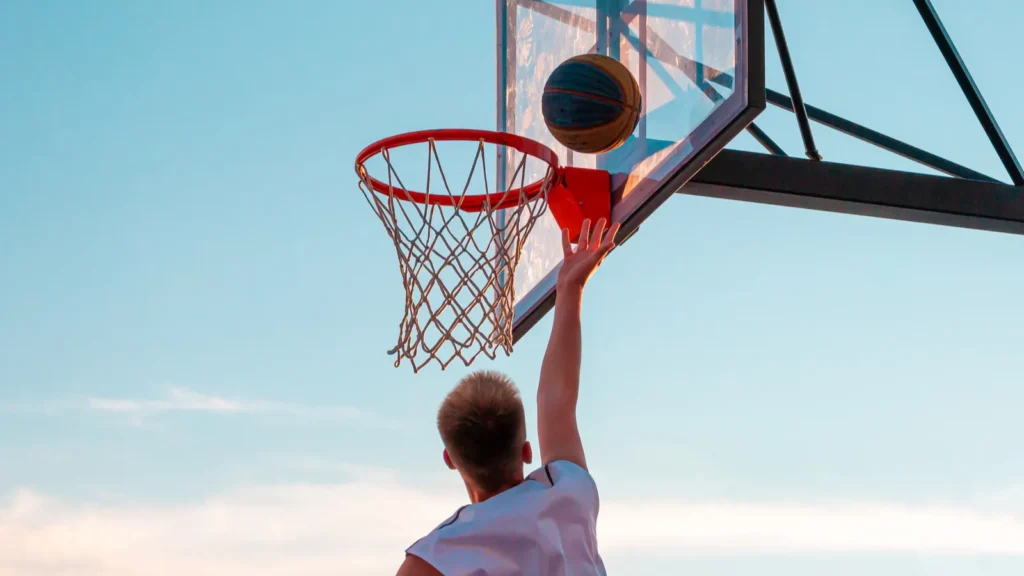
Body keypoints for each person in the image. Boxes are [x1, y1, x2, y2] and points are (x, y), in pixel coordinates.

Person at [396, 218, 620, 576]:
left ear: (450, 459)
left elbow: (555, 399)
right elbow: (557, 400)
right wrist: (570, 287)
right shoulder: (567, 495)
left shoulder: (432, 560)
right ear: (526, 451)